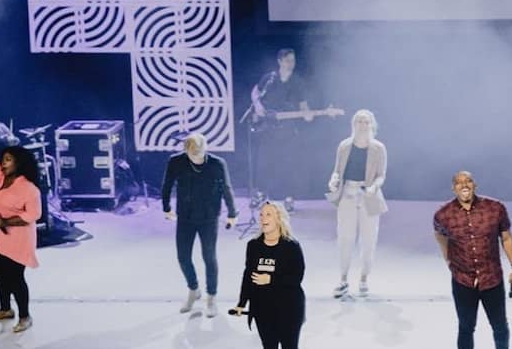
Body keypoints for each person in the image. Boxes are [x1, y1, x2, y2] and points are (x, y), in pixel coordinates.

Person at [433, 171, 512, 349]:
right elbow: (440, 236)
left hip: (492, 279)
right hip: (463, 281)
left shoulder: (495, 208)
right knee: (465, 329)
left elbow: (506, 238)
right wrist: (449, 260)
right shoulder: (443, 215)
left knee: (500, 327)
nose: (464, 185)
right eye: (459, 182)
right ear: (453, 188)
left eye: (468, 181)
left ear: (474, 185)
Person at [230, 201, 306, 349]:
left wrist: (270, 279)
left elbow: (296, 278)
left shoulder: (291, 246)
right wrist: (241, 303)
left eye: (269, 214)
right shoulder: (253, 246)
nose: (263, 218)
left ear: (279, 219)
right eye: (262, 214)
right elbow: (248, 275)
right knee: (269, 347)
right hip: (262, 307)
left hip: (289, 308)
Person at [0, 110, 43, 332]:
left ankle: (25, 316)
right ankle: (5, 309)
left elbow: (33, 215)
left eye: (8, 160)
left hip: (16, 240)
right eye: (3, 160)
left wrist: (7, 222)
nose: (3, 164)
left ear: (19, 164)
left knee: (15, 279)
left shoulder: (28, 189)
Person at [161, 132, 238, 317]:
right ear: (186, 150)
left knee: (209, 257)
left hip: (208, 217)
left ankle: (211, 297)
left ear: (206, 149)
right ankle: (193, 289)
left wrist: (232, 213)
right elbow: (167, 184)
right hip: (185, 216)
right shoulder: (176, 161)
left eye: (200, 153)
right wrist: (166, 207)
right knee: (183, 257)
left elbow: (226, 188)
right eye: (193, 154)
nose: (197, 158)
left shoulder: (217, 164)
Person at [326, 109, 387, 298]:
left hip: (368, 196)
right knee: (345, 237)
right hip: (348, 194)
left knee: (368, 239)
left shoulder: (378, 148)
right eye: (359, 121)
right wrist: (333, 180)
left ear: (372, 125)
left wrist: (374, 187)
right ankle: (343, 279)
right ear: (353, 124)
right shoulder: (344, 146)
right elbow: (337, 171)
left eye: (366, 122)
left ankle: (364, 278)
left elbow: (381, 176)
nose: (363, 125)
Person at [249, 48, 315, 212]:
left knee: (289, 164)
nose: (291, 64)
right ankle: (260, 194)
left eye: (293, 60)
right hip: (268, 128)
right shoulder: (270, 78)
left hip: (287, 130)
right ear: (280, 61)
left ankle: (289, 198)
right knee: (263, 162)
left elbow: (303, 104)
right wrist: (258, 105)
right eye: (287, 61)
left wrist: (308, 114)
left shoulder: (297, 82)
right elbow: (256, 91)